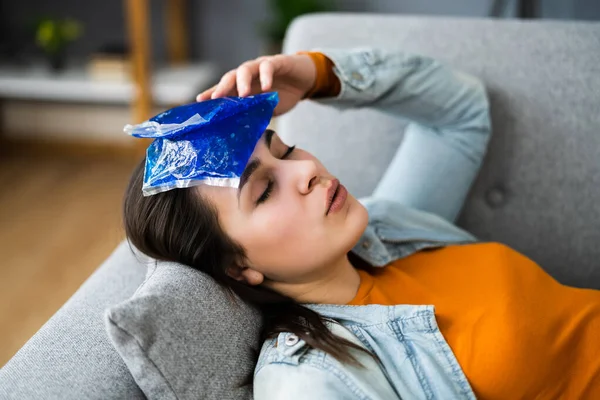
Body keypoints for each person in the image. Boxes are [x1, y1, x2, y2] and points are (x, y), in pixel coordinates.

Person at [123, 48, 600, 399]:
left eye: (285, 150)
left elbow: (461, 113)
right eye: (264, 190)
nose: (307, 170)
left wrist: (317, 77)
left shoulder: (386, 226)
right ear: (238, 267)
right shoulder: (309, 379)